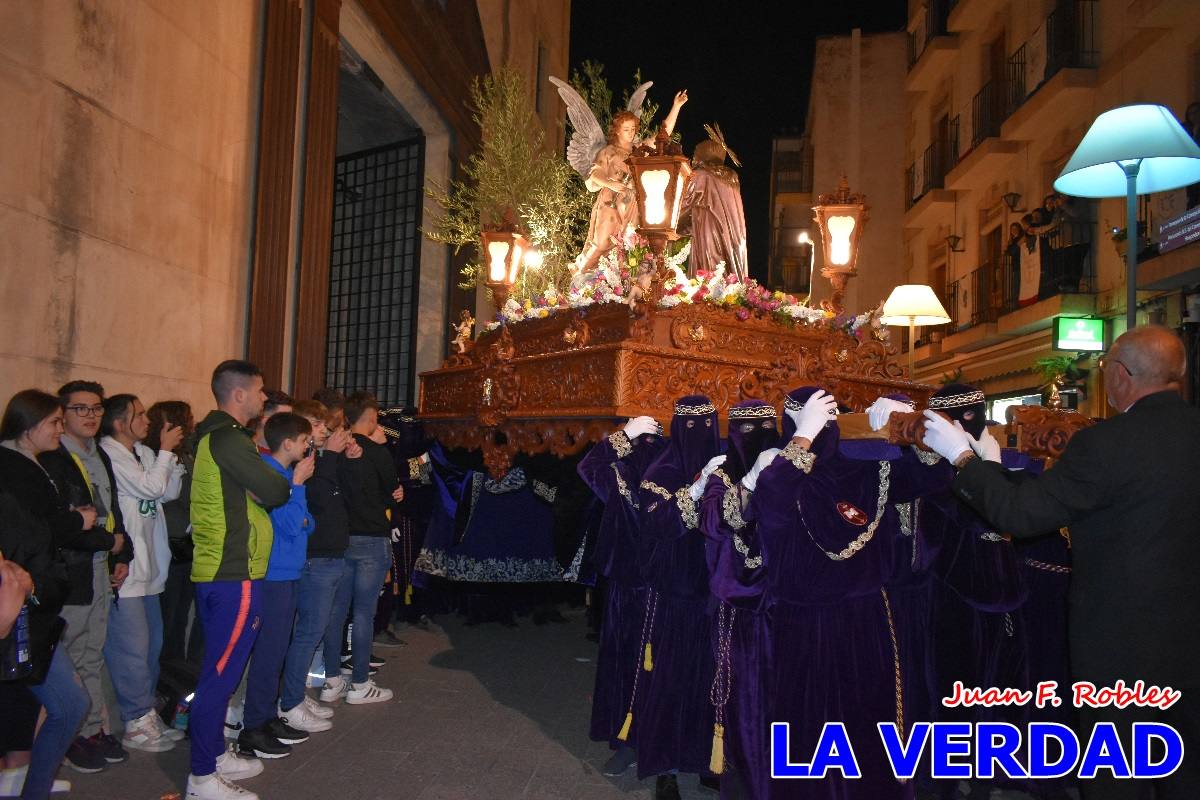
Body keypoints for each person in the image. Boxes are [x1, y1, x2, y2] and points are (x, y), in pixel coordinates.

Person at [921, 324, 1200, 800]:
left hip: (1122, 645)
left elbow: (1023, 516)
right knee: (1187, 770)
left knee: (1119, 776)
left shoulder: (1106, 444)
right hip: (1189, 642)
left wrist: (964, 459)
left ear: (1121, 376)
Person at [187, 361, 291, 800]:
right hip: (233, 572)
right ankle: (201, 777)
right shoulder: (228, 438)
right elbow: (276, 490)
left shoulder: (216, 437)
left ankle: (212, 753)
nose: (265, 398)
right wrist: (267, 483)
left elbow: (262, 487)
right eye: (261, 390)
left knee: (220, 668)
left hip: (224, 570)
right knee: (221, 678)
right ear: (240, 395)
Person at [35, 381, 133, 772]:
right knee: (71, 652)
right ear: (62, 415)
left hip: (99, 564)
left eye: (96, 408)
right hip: (72, 568)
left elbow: (110, 506)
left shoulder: (98, 452)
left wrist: (119, 553)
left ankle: (91, 729)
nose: (91, 416)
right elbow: (64, 520)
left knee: (92, 651)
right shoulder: (53, 458)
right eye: (80, 409)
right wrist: (108, 541)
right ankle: (71, 734)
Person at [633, 395, 724, 800]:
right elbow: (660, 525)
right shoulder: (661, 468)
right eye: (690, 426)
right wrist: (697, 487)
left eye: (707, 424)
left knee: (712, 679)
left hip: (715, 589)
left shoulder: (727, 461)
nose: (699, 435)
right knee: (668, 679)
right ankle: (664, 766)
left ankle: (708, 760)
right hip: (671, 592)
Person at [0, 390, 90, 800]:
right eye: (54, 422)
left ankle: (30, 782)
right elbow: (32, 537)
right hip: (22, 606)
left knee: (66, 704)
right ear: (28, 425)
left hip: (32, 602)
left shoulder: (30, 465)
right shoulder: (13, 470)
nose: (60, 429)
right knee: (69, 704)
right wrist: (74, 521)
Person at [577, 413, 667, 778]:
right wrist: (624, 436)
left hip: (669, 586)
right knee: (627, 663)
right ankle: (629, 739)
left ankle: (661, 742)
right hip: (626, 586)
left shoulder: (678, 465)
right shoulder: (620, 467)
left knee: (662, 666)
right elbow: (589, 467)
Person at [699, 399, 778, 799]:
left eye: (767, 426)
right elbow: (712, 522)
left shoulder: (789, 465)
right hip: (737, 608)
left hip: (783, 606)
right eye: (748, 429)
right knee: (743, 701)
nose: (759, 436)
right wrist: (750, 484)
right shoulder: (722, 473)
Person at [98, 394, 186, 753]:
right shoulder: (110, 454)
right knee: (131, 650)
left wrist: (167, 457)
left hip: (152, 566)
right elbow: (151, 487)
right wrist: (165, 452)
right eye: (139, 414)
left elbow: (169, 492)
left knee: (152, 647)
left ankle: (146, 714)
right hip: (127, 570)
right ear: (120, 422)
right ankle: (135, 722)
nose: (147, 419)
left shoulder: (144, 453)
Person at [238, 412, 321, 760]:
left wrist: (299, 502)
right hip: (272, 575)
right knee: (269, 652)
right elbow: (290, 525)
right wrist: (299, 487)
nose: (308, 447)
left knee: (278, 651)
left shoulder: (286, 473)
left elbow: (309, 523)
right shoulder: (271, 474)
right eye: (305, 441)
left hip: (288, 572)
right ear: (288, 443)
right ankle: (254, 726)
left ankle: (267, 717)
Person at [278, 400, 355, 732]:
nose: (322, 430)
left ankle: (296, 694)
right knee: (308, 632)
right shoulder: (305, 465)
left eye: (325, 424)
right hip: (315, 557)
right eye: (316, 423)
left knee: (315, 630)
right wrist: (332, 459)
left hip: (330, 554)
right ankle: (290, 700)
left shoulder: (319, 461)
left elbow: (340, 498)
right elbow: (317, 504)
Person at [327, 391, 399, 704]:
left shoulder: (334, 450)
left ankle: (331, 680)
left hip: (340, 539)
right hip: (371, 539)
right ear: (370, 418)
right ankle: (359, 683)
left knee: (336, 611)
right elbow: (391, 492)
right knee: (364, 613)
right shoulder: (378, 452)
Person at [575, 91, 688, 274]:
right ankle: (582, 277)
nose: (631, 133)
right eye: (626, 129)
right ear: (617, 131)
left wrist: (676, 106)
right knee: (603, 241)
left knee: (629, 244)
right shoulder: (608, 152)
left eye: (633, 129)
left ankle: (619, 282)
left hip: (632, 205)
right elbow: (594, 175)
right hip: (610, 203)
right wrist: (612, 184)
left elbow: (662, 134)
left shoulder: (639, 151)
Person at [150, 401, 202, 665]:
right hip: (171, 542)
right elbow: (176, 495)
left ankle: (177, 673)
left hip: (186, 543)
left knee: (181, 616)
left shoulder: (188, 453)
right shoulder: (161, 455)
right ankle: (167, 674)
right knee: (169, 617)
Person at [679, 123, 748, 280]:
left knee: (709, 276)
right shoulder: (732, 178)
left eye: (696, 153)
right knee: (726, 277)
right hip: (733, 239)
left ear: (704, 154)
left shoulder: (701, 175)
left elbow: (682, 206)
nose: (693, 157)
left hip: (709, 231)